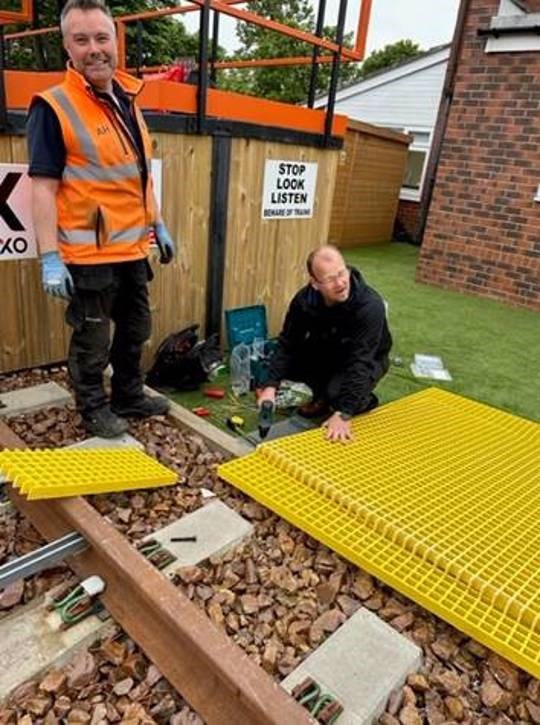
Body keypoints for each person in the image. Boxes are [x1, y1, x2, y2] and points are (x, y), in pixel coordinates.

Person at [27, 0, 176, 438]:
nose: (94, 48)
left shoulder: (127, 99)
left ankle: (128, 395)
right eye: (82, 40)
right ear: (67, 47)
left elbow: (138, 176)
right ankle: (93, 407)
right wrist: (49, 257)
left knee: (136, 329)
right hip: (88, 255)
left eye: (101, 37)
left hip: (132, 248)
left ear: (116, 41)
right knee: (92, 340)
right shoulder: (53, 106)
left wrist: (159, 223)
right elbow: (42, 188)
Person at [258, 245, 392, 443]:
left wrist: (344, 413)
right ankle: (321, 398)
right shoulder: (303, 301)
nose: (340, 283)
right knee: (279, 371)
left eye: (341, 273)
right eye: (330, 279)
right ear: (315, 283)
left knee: (336, 393)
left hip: (368, 357)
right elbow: (287, 343)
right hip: (331, 348)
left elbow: (361, 361)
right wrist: (270, 387)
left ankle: (359, 401)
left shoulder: (369, 306)